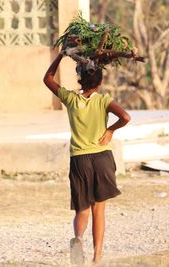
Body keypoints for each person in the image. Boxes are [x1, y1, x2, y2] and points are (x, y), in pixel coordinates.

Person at [43, 52, 130, 264]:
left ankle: (79, 239)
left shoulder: (71, 99)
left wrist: (61, 56)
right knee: (99, 209)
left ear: (80, 79)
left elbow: (48, 79)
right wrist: (110, 130)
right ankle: (97, 256)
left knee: (82, 208)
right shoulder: (103, 100)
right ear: (100, 82)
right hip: (102, 158)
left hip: (79, 160)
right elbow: (126, 117)